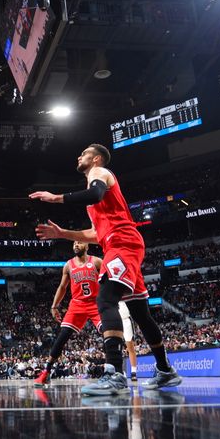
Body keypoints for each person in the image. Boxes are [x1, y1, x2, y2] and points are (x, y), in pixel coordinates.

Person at [31, 143, 181, 395]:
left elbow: (95, 194)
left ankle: (114, 373)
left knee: (105, 299)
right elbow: (93, 234)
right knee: (140, 312)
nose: (79, 156)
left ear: (96, 158)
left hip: (122, 243)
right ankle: (165, 370)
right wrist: (61, 233)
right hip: (118, 244)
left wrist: (57, 198)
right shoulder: (94, 201)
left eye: (84, 153)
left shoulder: (100, 173)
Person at [34, 241, 102, 388]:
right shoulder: (68, 265)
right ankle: (46, 372)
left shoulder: (96, 261)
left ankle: (114, 372)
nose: (76, 245)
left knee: (108, 333)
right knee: (62, 336)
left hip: (96, 303)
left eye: (80, 242)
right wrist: (54, 306)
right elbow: (62, 287)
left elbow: (108, 282)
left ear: (87, 246)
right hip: (77, 304)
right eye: (74, 243)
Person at [119, 301, 138, 381]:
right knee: (116, 347)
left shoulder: (125, 290)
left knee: (130, 347)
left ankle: (134, 372)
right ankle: (119, 371)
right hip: (115, 320)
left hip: (126, 320)